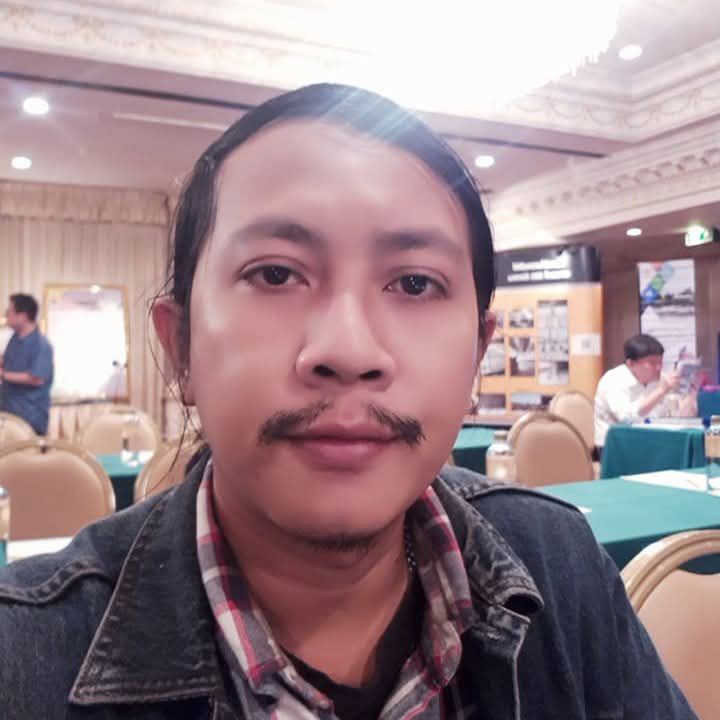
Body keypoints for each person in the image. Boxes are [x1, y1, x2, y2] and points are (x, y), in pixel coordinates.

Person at [0, 85, 695, 719]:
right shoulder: (24, 657)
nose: (349, 348)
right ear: (180, 346)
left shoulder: (559, 564)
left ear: (475, 355)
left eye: (415, 284)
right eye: (277, 274)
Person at [594, 333, 694, 447]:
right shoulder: (613, 380)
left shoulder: (662, 379)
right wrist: (661, 392)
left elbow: (678, 417)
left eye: (660, 362)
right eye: (652, 363)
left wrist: (693, 391)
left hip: (651, 442)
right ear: (631, 363)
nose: (659, 368)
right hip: (616, 447)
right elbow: (627, 420)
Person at [0, 293, 53, 435]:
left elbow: (36, 378)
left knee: (27, 450)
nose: (6, 315)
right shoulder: (14, 339)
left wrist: (3, 375)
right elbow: (9, 362)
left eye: (9, 312)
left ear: (22, 316)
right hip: (8, 412)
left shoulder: (42, 345)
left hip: (29, 417)